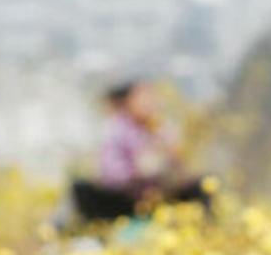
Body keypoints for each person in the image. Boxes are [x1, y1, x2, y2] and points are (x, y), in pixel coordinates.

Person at [74, 80, 209, 221]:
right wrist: (137, 171)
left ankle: (202, 224)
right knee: (81, 188)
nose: (149, 104)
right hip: (126, 200)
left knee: (203, 184)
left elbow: (180, 171)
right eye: (142, 98)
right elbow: (110, 174)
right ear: (128, 102)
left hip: (160, 198)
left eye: (151, 97)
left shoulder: (163, 129)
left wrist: (172, 160)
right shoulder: (116, 129)